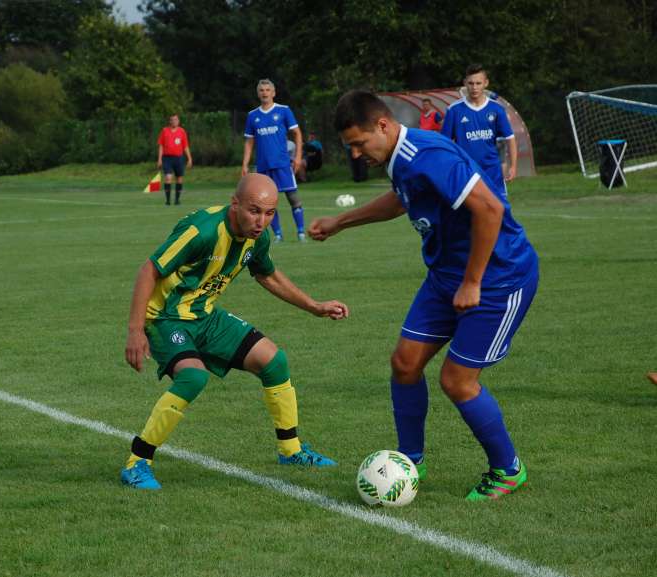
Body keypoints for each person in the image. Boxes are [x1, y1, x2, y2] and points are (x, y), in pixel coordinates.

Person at [310, 90, 539, 501]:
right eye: (350, 148)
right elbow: (403, 199)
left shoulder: (426, 153)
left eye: (359, 144)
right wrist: (341, 222)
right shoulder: (399, 157)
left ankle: (508, 469)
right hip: (446, 276)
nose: (357, 154)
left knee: (457, 380)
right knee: (405, 363)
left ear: (383, 125)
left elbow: (490, 209)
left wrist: (473, 282)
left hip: (499, 276)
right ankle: (410, 460)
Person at [121, 173, 349, 490]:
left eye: (270, 213)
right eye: (254, 210)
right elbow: (149, 269)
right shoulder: (201, 231)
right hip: (165, 318)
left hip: (205, 315)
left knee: (274, 361)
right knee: (193, 377)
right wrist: (135, 331)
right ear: (235, 204)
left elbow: (267, 275)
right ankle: (137, 462)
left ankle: (291, 450)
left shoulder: (259, 237)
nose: (261, 220)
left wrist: (314, 306)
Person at [242, 79, 305, 242]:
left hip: (283, 164)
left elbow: (297, 133)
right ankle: (277, 235)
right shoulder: (252, 116)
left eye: (267, 90)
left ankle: (301, 233)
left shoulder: (284, 111)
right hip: (263, 167)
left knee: (293, 198)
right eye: (261, 90)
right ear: (258, 93)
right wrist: (245, 164)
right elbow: (249, 142)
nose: (264, 93)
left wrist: (297, 157)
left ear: (273, 93)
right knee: (267, 204)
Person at [441, 64, 517, 194]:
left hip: (492, 171)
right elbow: (444, 143)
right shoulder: (454, 110)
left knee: (499, 211)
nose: (474, 87)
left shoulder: (497, 109)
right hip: (466, 171)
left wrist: (513, 166)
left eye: (478, 83)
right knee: (469, 213)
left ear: (486, 83)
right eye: (470, 83)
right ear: (465, 83)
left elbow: (510, 138)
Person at [157, 114, 193, 206]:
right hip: (167, 158)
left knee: (179, 179)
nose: (174, 121)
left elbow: (185, 146)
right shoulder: (164, 131)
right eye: (172, 120)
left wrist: (189, 158)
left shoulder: (182, 131)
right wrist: (159, 159)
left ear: (178, 121)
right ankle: (168, 201)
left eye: (176, 120)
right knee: (168, 178)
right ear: (170, 121)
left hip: (179, 158)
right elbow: (161, 145)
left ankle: (177, 200)